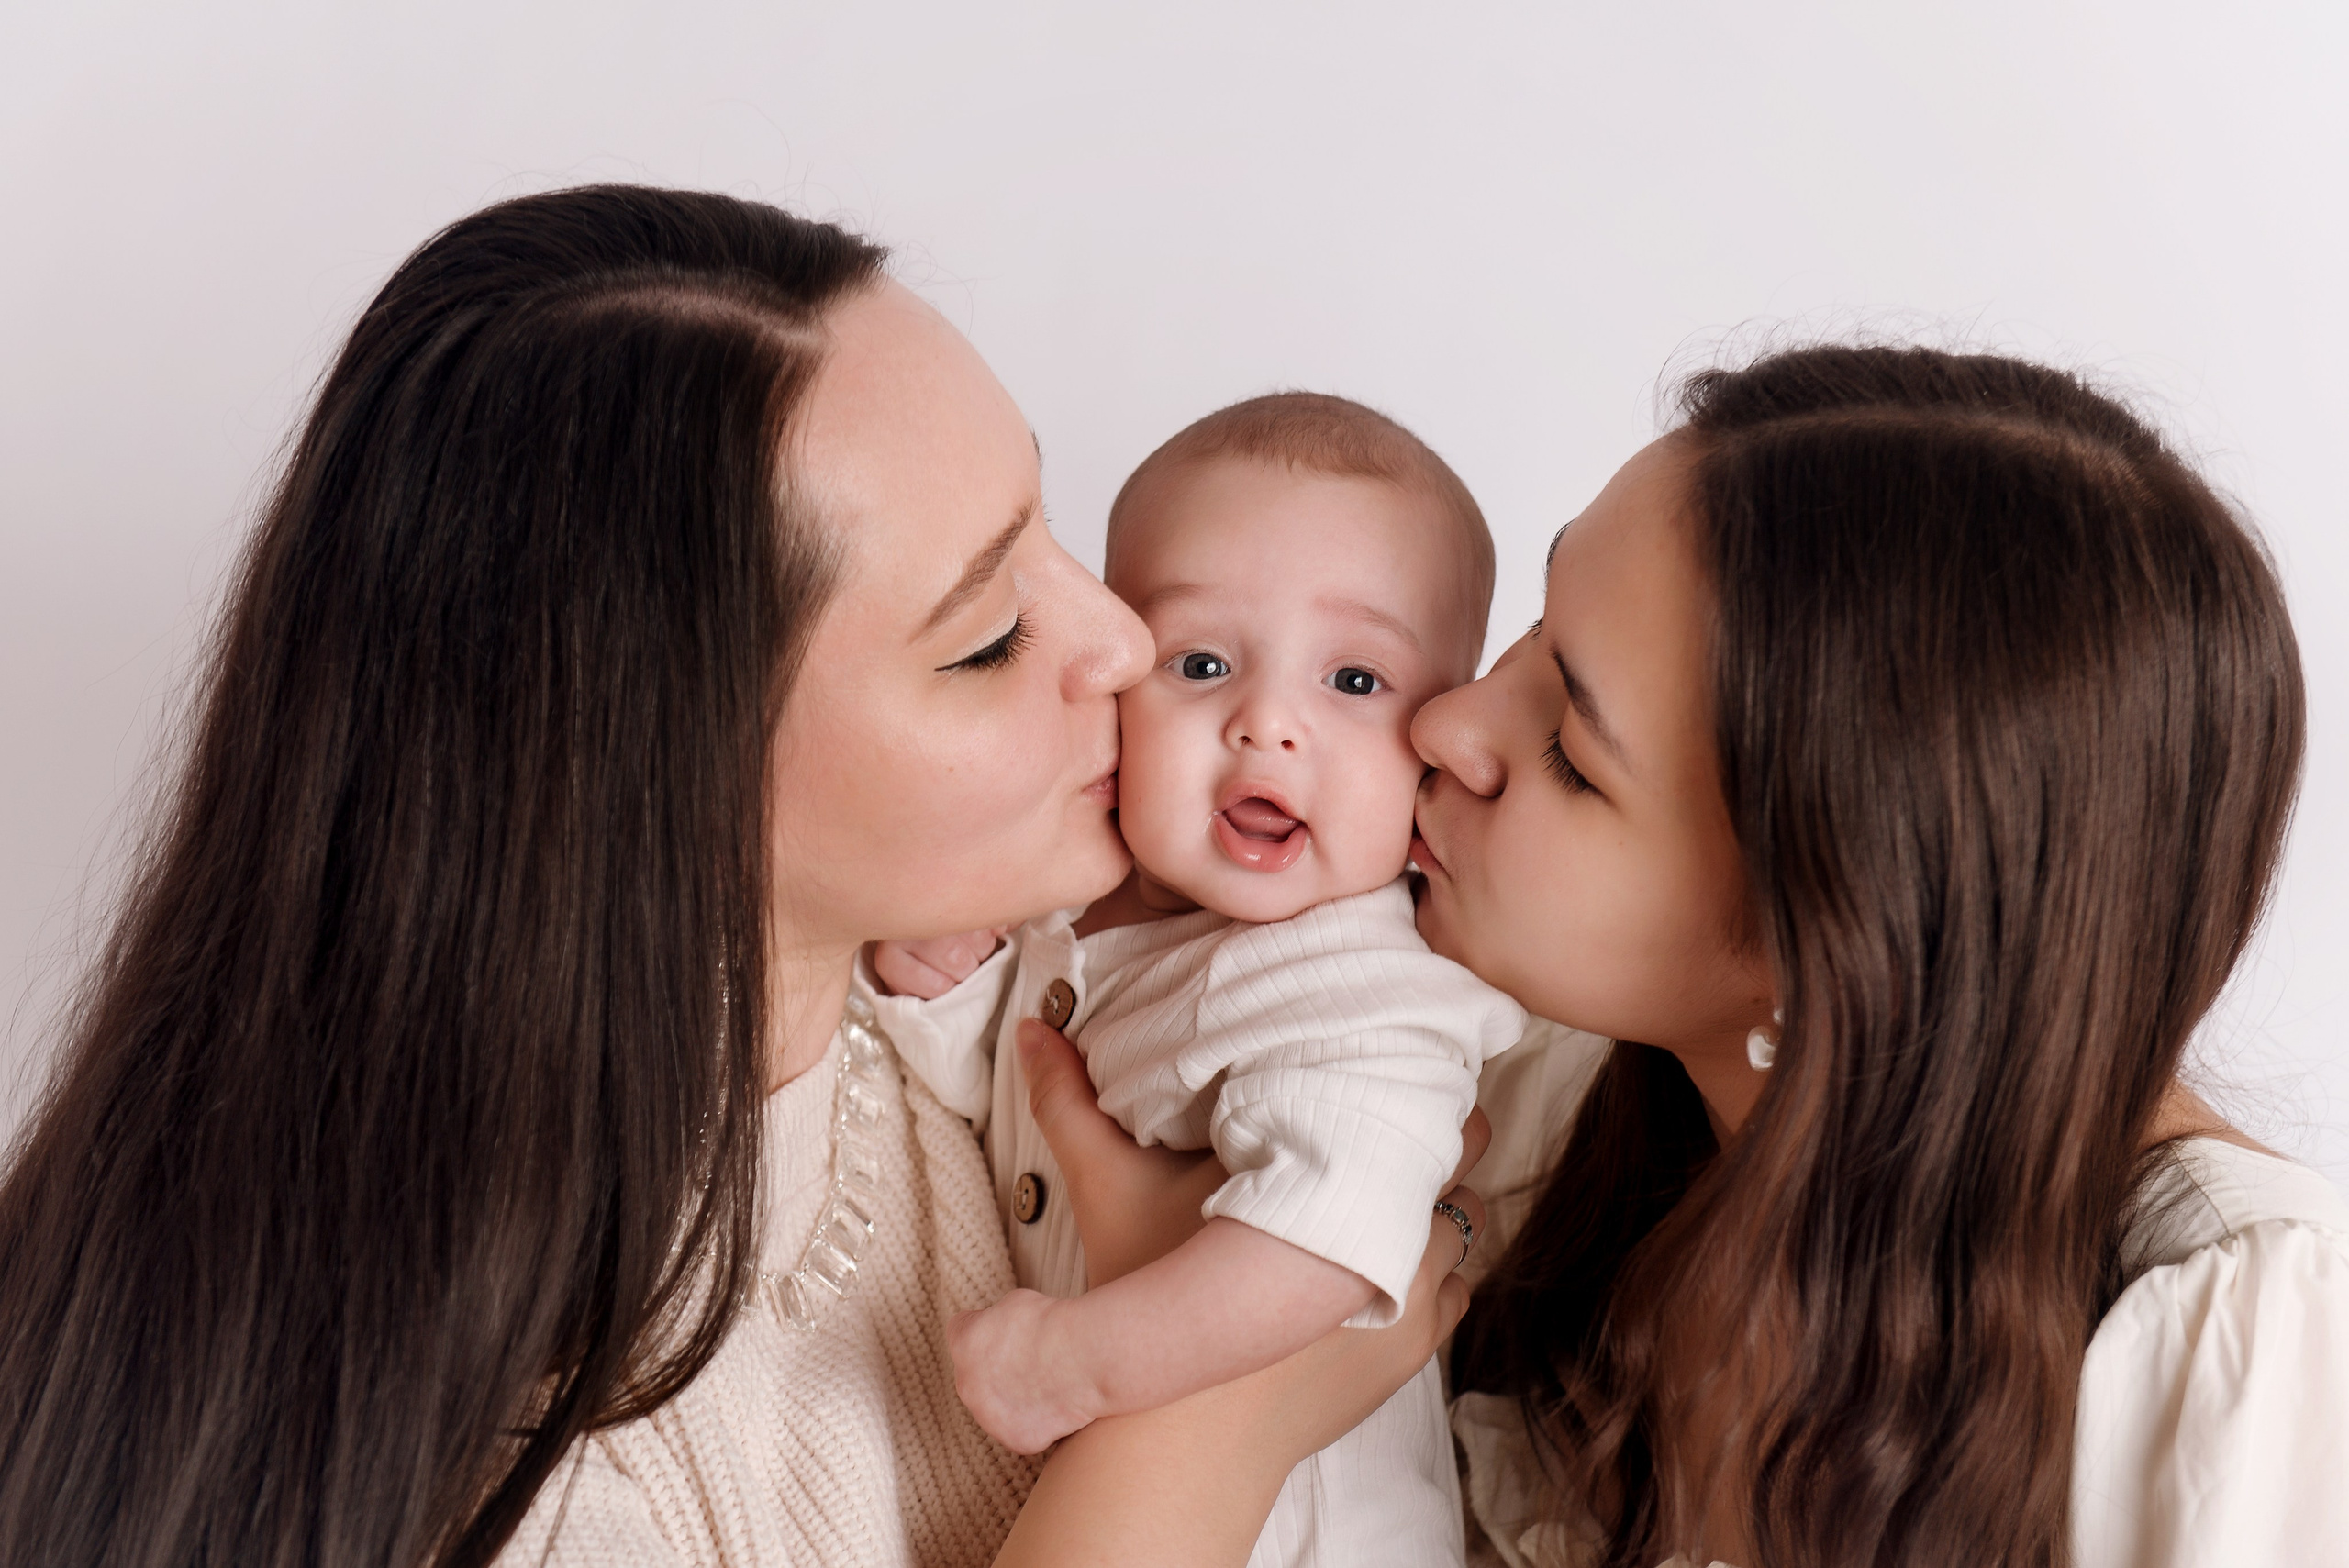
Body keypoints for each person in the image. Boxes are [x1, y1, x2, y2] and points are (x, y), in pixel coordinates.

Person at [0, 186, 1475, 1568]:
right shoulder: (528, 1484)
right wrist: (1221, 1403)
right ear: (663, 774)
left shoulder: (1023, 985)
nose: (1124, 644)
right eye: (984, 638)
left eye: (1049, 529)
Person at [1002, 345, 2349, 1567]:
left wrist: (1222, 1374)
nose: (1447, 724)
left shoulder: (2248, 1361)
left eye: (1572, 757)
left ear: (1822, 941)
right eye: (1532, 632)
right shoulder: (1518, 1108)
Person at [868, 393, 1526, 1565]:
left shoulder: (1363, 985)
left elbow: (1326, 1237)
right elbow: (1013, 1094)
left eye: (1356, 682)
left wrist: (1072, 1362)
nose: (1266, 723)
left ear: (1437, 742)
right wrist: (947, 988)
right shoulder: (1078, 909)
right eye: (1203, 661)